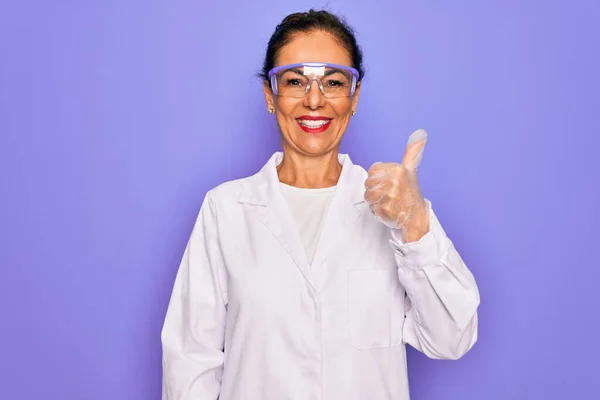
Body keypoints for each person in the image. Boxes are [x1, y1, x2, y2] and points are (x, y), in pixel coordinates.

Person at [161, 9, 480, 400]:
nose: (314, 100)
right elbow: (189, 362)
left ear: (354, 97)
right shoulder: (226, 209)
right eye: (295, 81)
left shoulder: (395, 206)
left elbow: (452, 338)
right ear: (269, 95)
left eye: (332, 82)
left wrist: (416, 226)